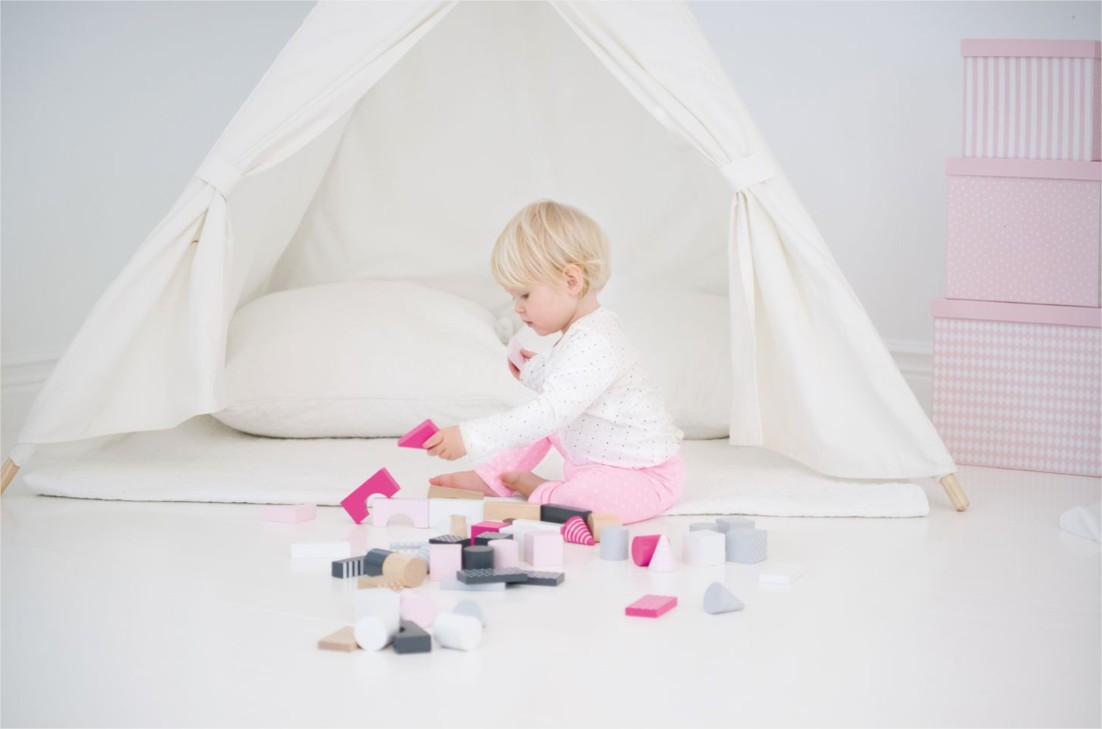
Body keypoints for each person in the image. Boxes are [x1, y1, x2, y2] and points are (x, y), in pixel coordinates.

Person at [424, 200, 683, 524]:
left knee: (584, 493)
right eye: (514, 297)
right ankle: (494, 477)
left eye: (525, 295)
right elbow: (577, 387)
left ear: (571, 281)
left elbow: (553, 408)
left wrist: (470, 437)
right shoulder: (582, 333)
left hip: (643, 476)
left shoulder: (594, 340)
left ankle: (543, 492)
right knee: (546, 425)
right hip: (597, 461)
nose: (518, 308)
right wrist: (537, 372)